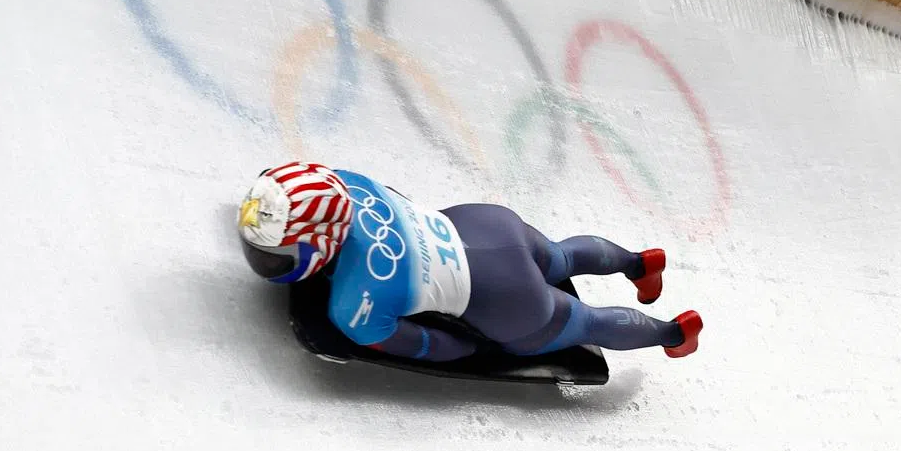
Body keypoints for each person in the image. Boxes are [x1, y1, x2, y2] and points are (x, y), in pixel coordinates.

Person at [237, 161, 702, 363]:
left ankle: (674, 334)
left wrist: (470, 346)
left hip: (500, 298)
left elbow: (438, 348)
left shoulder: (353, 306)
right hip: (487, 225)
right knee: (558, 256)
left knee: (585, 325)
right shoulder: (348, 180)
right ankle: (638, 263)